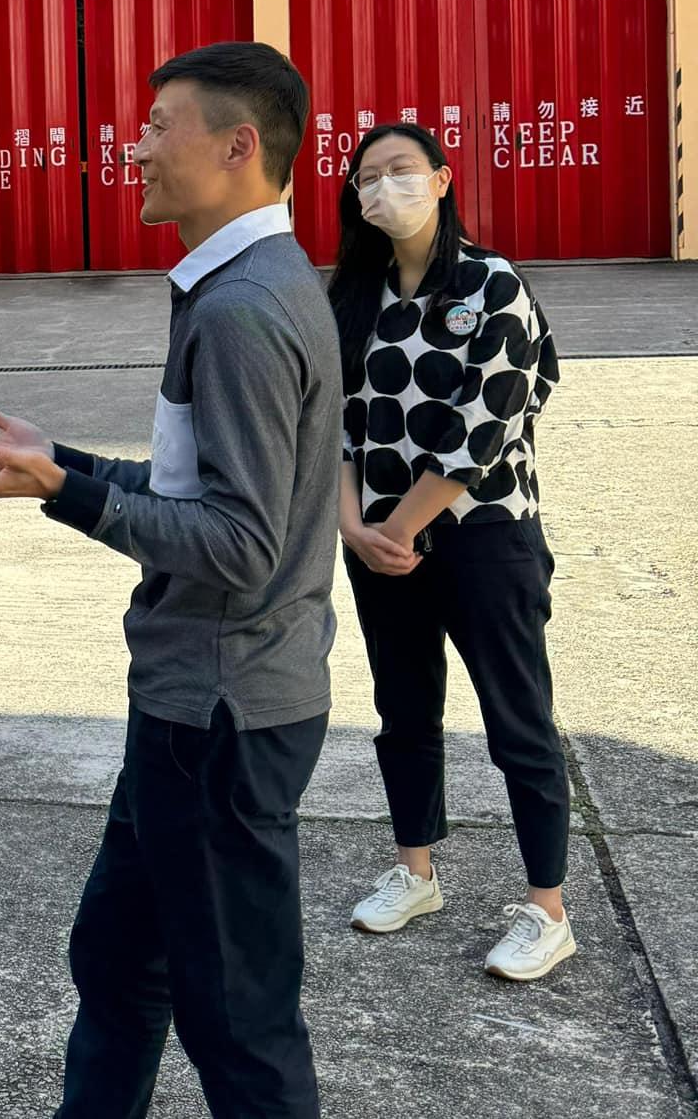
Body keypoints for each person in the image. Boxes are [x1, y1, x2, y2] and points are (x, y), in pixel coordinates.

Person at [0, 42, 338, 1119]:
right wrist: (64, 466)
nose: (132, 145)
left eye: (158, 125)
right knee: (114, 963)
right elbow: (201, 485)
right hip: (190, 704)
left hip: (217, 713)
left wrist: (67, 489)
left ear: (237, 146)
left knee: (238, 1025)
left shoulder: (243, 308)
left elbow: (237, 541)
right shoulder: (238, 285)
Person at [326, 123, 569, 980]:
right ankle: (416, 869)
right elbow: (340, 423)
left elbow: (489, 424)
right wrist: (352, 525)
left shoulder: (490, 284)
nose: (383, 188)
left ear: (441, 178)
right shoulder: (354, 295)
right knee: (405, 710)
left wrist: (401, 525)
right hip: (379, 542)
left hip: (482, 538)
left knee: (519, 720)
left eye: (401, 172)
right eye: (367, 177)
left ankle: (547, 908)